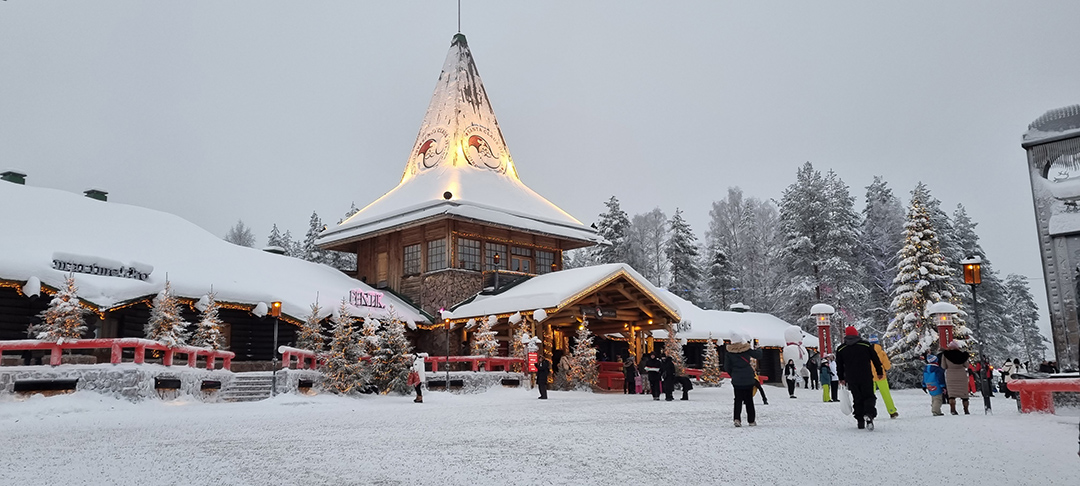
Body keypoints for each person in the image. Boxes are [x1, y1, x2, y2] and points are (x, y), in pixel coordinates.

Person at [835, 326, 884, 430]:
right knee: (869, 396)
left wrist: (841, 378)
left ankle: (860, 420)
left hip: (851, 377)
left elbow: (839, 365)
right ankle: (869, 414)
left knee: (857, 398)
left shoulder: (841, 348)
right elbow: (875, 359)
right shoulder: (866, 345)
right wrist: (879, 371)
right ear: (856, 334)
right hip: (866, 376)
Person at [724, 334, 763, 427]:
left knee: (738, 399)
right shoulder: (746, 349)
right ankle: (751, 420)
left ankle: (737, 419)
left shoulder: (729, 353)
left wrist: (733, 374)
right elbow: (758, 355)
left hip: (737, 379)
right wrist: (758, 348)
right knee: (749, 400)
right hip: (748, 378)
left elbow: (726, 367)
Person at [867, 335, 898, 419]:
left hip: (869, 377)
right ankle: (892, 411)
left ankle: (868, 412)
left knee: (869, 396)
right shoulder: (882, 352)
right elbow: (887, 366)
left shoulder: (866, 352)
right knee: (886, 394)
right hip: (881, 376)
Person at [941, 341, 970, 415]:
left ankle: (953, 409)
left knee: (952, 394)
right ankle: (966, 410)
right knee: (964, 394)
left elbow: (943, 366)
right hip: (962, 376)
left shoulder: (945, 355)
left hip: (951, 376)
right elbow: (966, 365)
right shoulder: (962, 355)